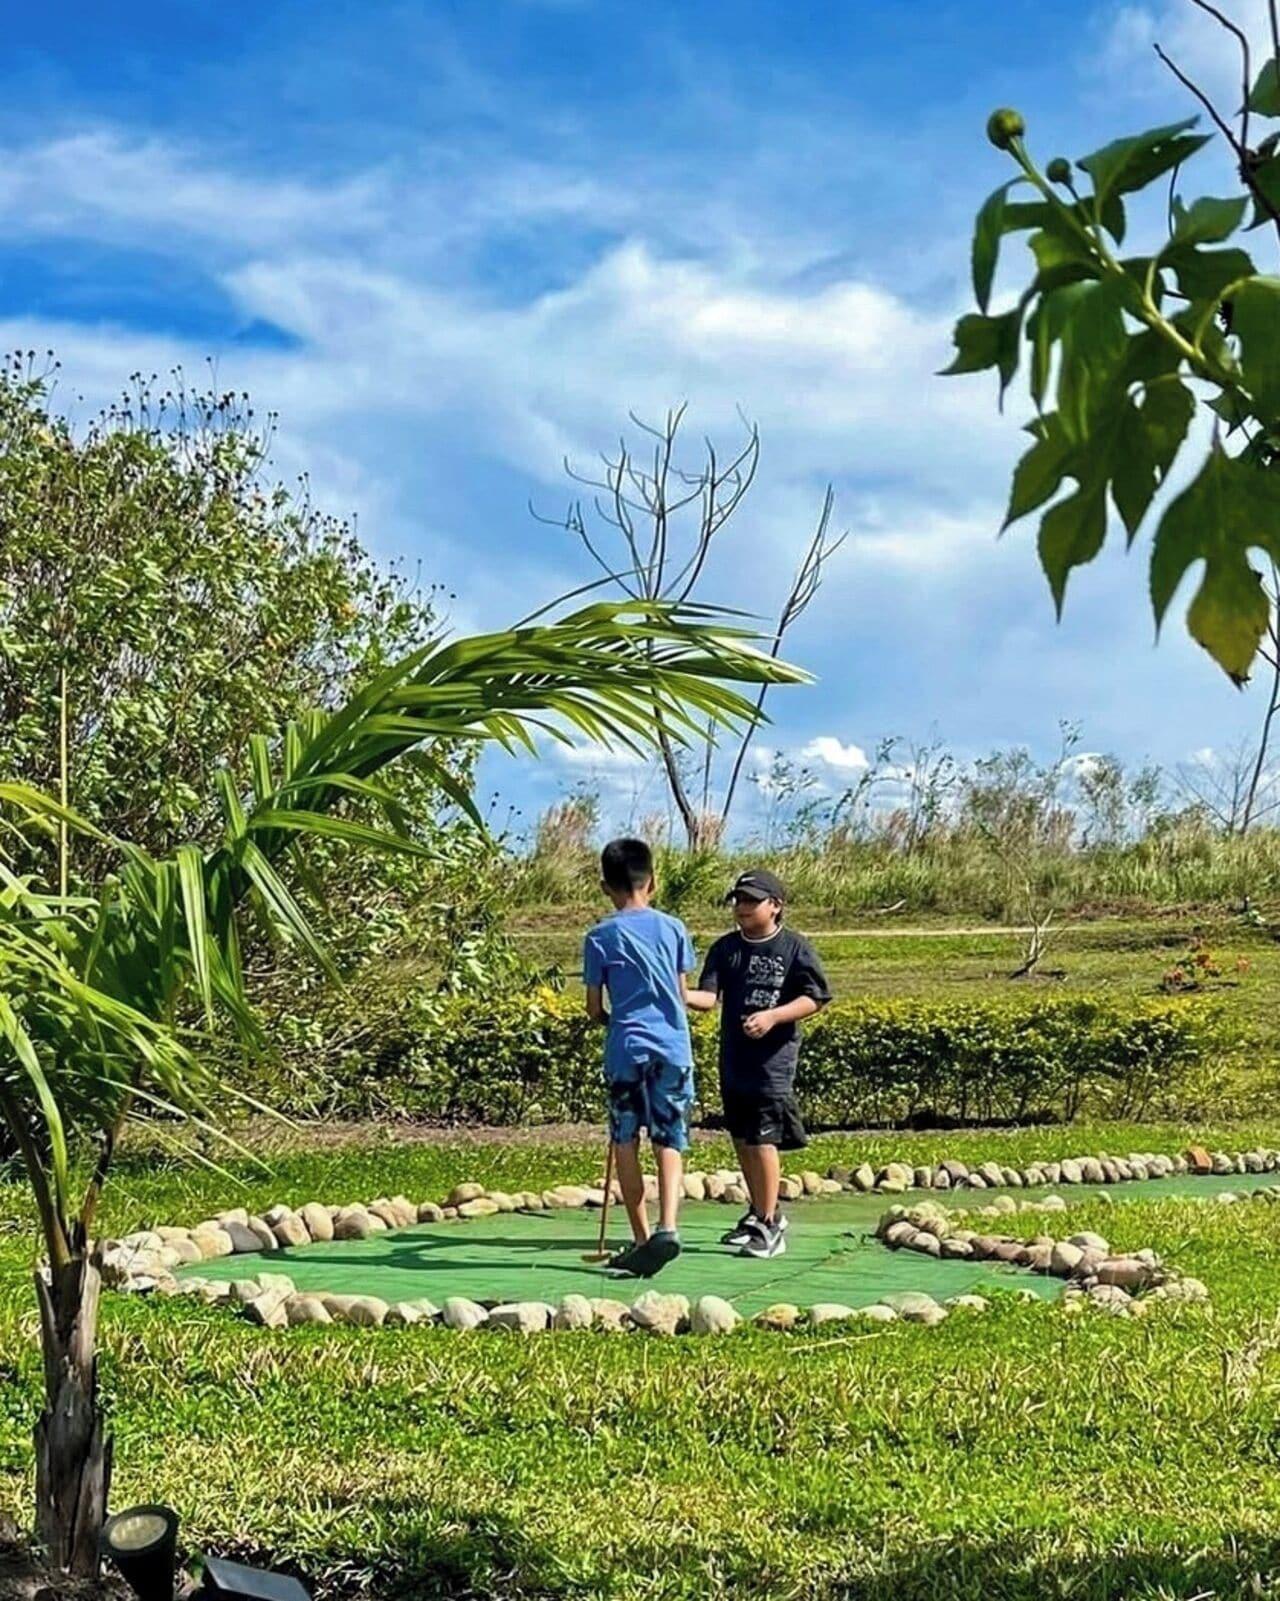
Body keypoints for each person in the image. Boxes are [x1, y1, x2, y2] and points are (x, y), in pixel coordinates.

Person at [686, 868, 831, 1259]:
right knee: (742, 1138)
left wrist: (773, 1016)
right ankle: (759, 1212)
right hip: (734, 1060)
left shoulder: (795, 948)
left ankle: (770, 1226)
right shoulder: (725, 949)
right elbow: (707, 998)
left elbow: (815, 998)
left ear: (776, 905)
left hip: (773, 1064)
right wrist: (677, 991)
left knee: (764, 1139)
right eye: (738, 900)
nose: (742, 907)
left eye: (752, 900)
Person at [583, 837, 697, 1277]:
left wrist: (609, 1021)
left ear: (604, 886)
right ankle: (668, 1226)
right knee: (669, 1137)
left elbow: (594, 1007)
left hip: (626, 1047)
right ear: (652, 881)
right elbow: (682, 994)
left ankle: (641, 1238)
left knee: (625, 1139)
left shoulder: (599, 936)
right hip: (672, 1046)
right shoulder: (674, 928)